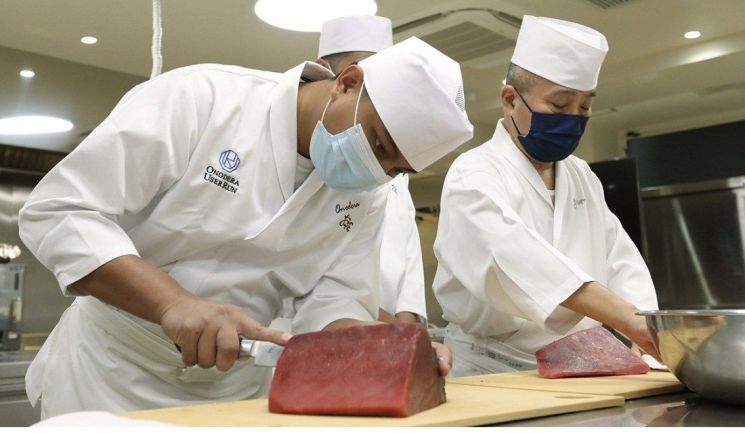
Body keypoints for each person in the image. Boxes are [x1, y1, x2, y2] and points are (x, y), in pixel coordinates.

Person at [18, 36, 473, 417]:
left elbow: (337, 294)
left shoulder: (370, 193)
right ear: (348, 82)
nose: (379, 171)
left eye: (397, 169)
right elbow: (62, 210)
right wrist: (172, 303)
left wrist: (380, 350)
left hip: (235, 389)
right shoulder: (205, 99)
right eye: (378, 143)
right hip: (109, 373)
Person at [432, 15, 659, 377]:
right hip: (491, 369)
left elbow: (619, 257)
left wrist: (647, 325)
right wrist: (627, 319)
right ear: (510, 100)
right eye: (559, 105)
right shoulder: (473, 173)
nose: (574, 117)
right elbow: (512, 258)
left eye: (584, 107)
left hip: (580, 363)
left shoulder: (581, 175)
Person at [314, 15, 427, 325]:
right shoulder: (328, 158)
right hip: (332, 327)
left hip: (385, 331)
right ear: (338, 77)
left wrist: (407, 325)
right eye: (364, 73)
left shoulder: (391, 172)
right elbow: (315, 281)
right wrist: (382, 328)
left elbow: (408, 257)